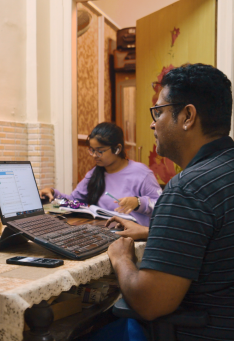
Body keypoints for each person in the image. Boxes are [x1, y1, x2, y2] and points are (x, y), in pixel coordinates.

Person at [107, 63, 234, 341]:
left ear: (188, 116)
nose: (153, 123)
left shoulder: (186, 189)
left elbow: (150, 302)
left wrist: (121, 259)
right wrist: (152, 232)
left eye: (159, 111)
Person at [39, 122, 162, 226]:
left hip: (135, 237)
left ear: (117, 149)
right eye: (92, 150)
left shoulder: (141, 173)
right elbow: (73, 201)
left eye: (100, 151)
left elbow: (162, 206)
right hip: (103, 232)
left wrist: (138, 202)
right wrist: (53, 193)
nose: (94, 155)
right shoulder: (95, 174)